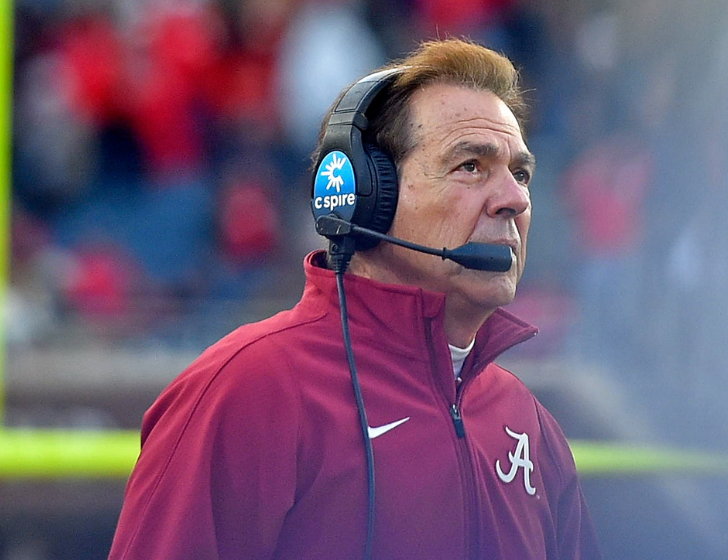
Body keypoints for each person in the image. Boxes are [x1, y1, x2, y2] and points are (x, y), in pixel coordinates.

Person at [108, 38, 602, 560]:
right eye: (471, 166)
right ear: (366, 197)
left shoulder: (529, 424)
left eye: (520, 173)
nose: (515, 199)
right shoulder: (246, 392)